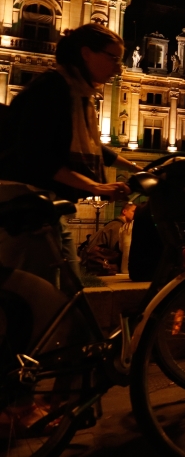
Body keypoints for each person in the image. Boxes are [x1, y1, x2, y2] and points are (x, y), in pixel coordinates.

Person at [0, 23, 141, 282]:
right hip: (22, 206)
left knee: (69, 292)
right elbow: (36, 157)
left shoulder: (77, 93)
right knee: (37, 295)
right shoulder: (54, 89)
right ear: (86, 53)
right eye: (113, 58)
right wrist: (96, 187)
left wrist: (135, 168)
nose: (119, 67)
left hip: (45, 206)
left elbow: (92, 147)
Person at [84, 202, 135, 275]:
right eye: (133, 211)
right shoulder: (117, 226)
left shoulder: (117, 224)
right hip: (99, 260)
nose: (135, 214)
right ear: (124, 211)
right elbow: (115, 249)